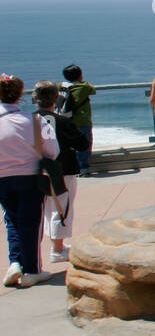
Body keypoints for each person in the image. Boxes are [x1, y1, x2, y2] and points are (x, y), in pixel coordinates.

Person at [0, 75, 57, 287]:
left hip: (2, 178)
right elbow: (53, 151)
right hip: (30, 177)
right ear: (20, 94)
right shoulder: (34, 120)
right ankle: (32, 270)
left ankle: (15, 262)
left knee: (12, 220)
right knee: (31, 222)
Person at [32, 81, 89, 263]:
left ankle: (50, 247)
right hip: (63, 169)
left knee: (43, 210)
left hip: (35, 170)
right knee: (61, 209)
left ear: (35, 99)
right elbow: (82, 143)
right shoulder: (63, 122)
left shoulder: (28, 120)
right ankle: (57, 250)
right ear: (56, 98)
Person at [58, 64, 95, 174]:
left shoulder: (61, 85)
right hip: (82, 120)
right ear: (80, 75)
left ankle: (71, 166)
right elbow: (93, 90)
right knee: (84, 143)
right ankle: (83, 167)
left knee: (69, 144)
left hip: (65, 119)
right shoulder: (84, 87)